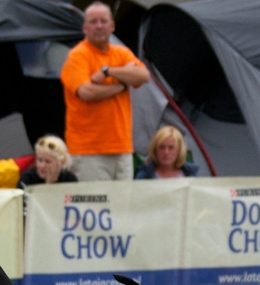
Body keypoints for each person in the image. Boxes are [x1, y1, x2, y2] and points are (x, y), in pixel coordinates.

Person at [60, 1, 150, 182]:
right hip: (88, 151)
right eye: (93, 22)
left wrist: (108, 71)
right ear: (85, 28)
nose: (99, 26)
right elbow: (86, 92)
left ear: (112, 26)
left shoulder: (121, 52)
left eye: (103, 21)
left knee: (123, 200)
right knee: (96, 201)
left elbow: (143, 75)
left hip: (122, 148)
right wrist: (121, 85)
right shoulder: (77, 56)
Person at [135, 126, 200, 179]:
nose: (166, 152)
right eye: (161, 147)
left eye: (171, 148)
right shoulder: (144, 176)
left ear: (179, 150)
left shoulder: (191, 175)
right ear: (155, 149)